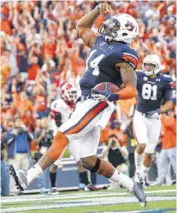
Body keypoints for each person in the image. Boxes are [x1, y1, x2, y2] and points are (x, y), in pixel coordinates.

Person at [9, 3, 146, 206]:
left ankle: (27, 177)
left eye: (115, 26)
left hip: (97, 101)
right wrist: (97, 10)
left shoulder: (124, 54)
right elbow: (81, 27)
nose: (108, 26)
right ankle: (132, 184)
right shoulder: (101, 42)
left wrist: (111, 95)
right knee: (89, 161)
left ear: (125, 32)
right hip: (84, 100)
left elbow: (131, 89)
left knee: (62, 135)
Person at [49, 82, 97, 193]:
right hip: (60, 135)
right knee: (55, 163)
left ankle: (86, 184)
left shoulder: (76, 102)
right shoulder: (58, 104)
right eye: (70, 93)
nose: (73, 95)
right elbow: (57, 122)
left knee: (79, 160)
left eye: (73, 93)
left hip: (71, 135)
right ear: (64, 93)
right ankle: (52, 187)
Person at [133, 54, 174, 186]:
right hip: (140, 115)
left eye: (150, 65)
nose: (147, 67)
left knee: (150, 152)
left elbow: (169, 104)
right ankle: (137, 172)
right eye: (146, 64)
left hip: (155, 118)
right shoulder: (138, 76)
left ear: (157, 67)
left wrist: (158, 111)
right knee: (142, 143)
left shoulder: (165, 81)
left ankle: (143, 176)